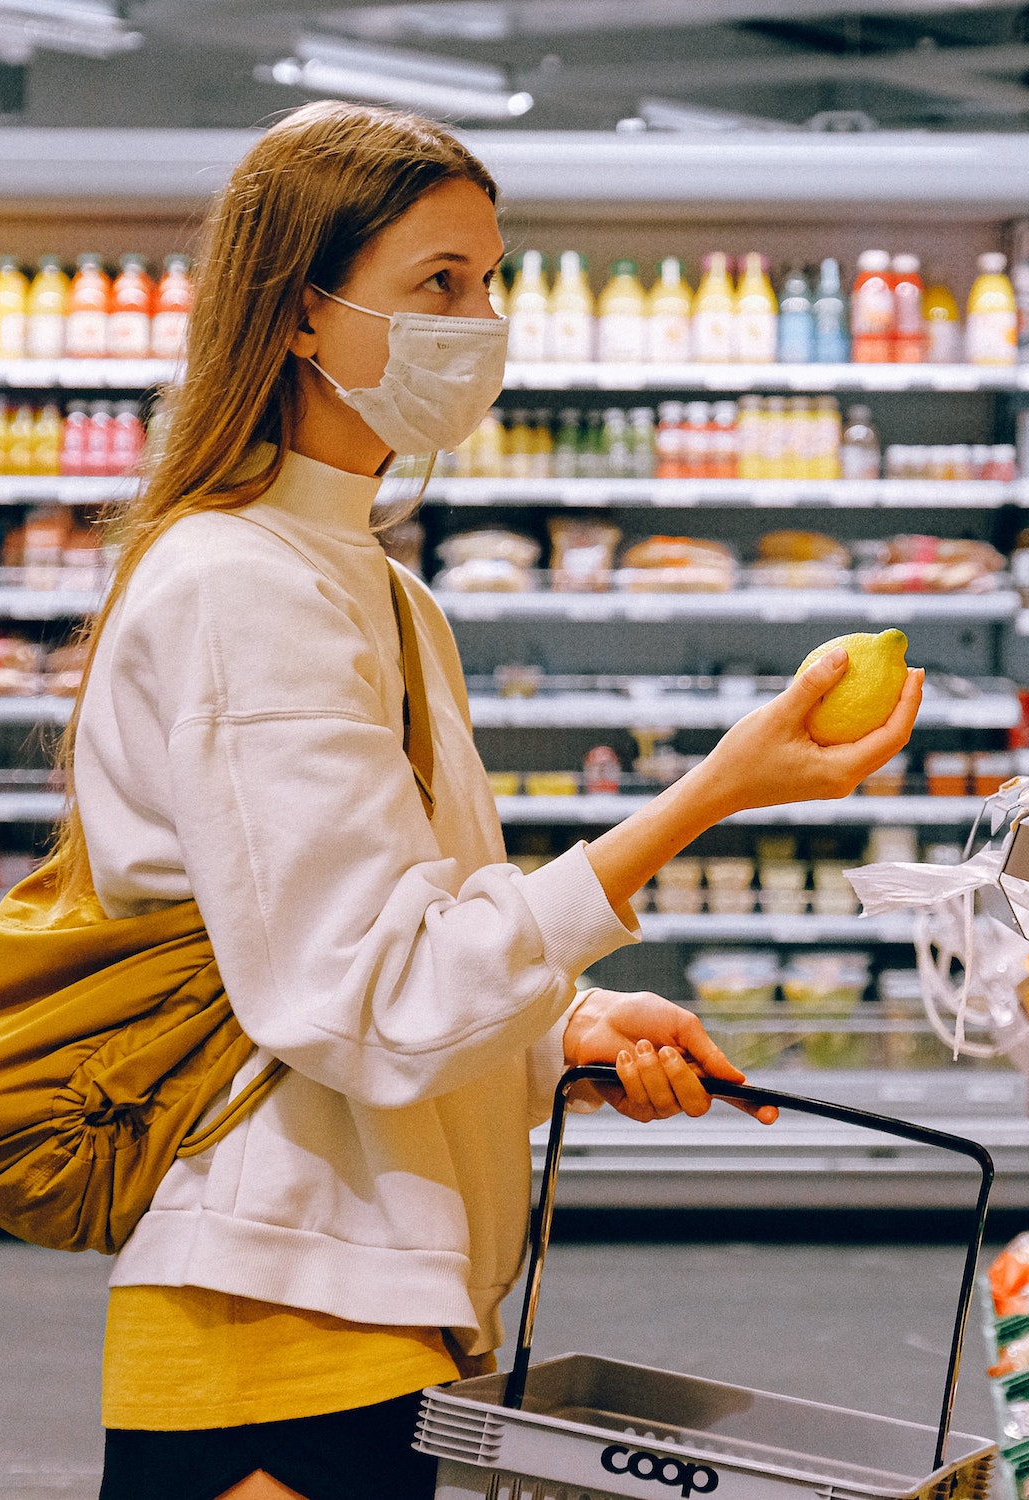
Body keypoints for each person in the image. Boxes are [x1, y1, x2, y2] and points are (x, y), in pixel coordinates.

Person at [70, 101, 922, 1500]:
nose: (483, 321)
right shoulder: (242, 588)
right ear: (300, 313)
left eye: (492, 279)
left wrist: (555, 1030)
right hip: (278, 1321)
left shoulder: (377, 590)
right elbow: (363, 998)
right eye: (439, 285)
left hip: (376, 1301)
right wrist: (707, 796)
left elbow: (385, 950)